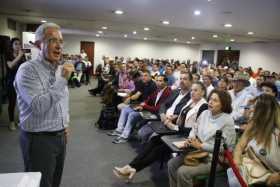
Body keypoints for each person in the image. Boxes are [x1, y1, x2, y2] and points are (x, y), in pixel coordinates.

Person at [14, 23, 74, 187]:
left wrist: (65, 125)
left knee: (54, 182)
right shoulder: (27, 70)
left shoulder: (59, 69)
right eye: (52, 40)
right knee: (40, 184)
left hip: (59, 136)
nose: (59, 46)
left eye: (61, 41)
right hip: (39, 139)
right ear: (39, 44)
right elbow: (38, 106)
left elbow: (63, 101)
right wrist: (62, 80)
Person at [112, 82, 208, 181]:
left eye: (196, 90)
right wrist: (172, 118)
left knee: (159, 149)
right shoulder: (191, 101)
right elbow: (181, 115)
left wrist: (174, 127)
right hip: (177, 130)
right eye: (192, 90)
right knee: (154, 140)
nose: (192, 92)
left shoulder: (203, 106)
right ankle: (131, 166)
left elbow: (195, 129)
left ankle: (133, 168)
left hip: (187, 137)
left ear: (203, 92)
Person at [168, 89, 236, 187]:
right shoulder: (205, 113)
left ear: (223, 104)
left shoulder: (227, 120)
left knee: (182, 172)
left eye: (215, 100)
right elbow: (194, 129)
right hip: (196, 152)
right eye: (210, 99)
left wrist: (201, 146)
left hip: (214, 159)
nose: (211, 102)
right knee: (172, 164)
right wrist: (190, 138)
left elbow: (228, 149)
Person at [231, 94, 280, 186]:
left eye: (255, 107)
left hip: (268, 179)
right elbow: (240, 146)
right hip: (248, 170)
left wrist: (275, 179)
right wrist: (236, 161)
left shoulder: (278, 134)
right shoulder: (253, 124)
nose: (251, 110)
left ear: (265, 112)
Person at [108, 75, 171, 144]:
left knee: (132, 115)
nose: (157, 82)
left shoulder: (167, 92)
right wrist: (143, 105)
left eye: (160, 81)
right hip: (149, 109)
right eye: (157, 80)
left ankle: (124, 136)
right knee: (125, 110)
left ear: (166, 82)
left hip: (156, 114)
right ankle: (119, 130)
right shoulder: (157, 90)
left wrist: (144, 106)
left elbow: (158, 109)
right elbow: (149, 98)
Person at [6, 38, 26, 130]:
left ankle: (20, 120)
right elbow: (10, 65)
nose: (18, 46)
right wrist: (19, 56)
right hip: (11, 82)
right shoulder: (8, 55)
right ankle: (11, 122)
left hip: (21, 82)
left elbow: (25, 68)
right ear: (12, 46)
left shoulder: (22, 56)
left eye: (19, 44)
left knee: (22, 102)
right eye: (16, 44)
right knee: (12, 102)